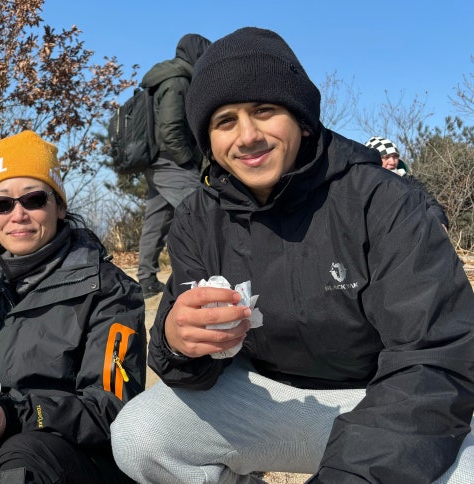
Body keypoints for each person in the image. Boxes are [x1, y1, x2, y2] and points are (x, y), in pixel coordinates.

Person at [110, 27, 474, 483]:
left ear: (301, 118)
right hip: (269, 405)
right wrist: (176, 342)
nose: (247, 136)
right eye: (225, 121)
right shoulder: (197, 218)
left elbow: (435, 357)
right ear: (208, 140)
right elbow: (188, 372)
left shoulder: (383, 200)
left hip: (385, 401)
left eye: (264, 111)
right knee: (141, 434)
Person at [0, 130, 147, 483]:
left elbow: (114, 411)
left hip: (66, 456)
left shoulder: (109, 291)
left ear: (59, 206)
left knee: (21, 455)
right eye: (3, 203)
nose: (18, 215)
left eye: (34, 199)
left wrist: (17, 415)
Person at [136, 33, 211, 298]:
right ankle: (210, 275)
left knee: (157, 218)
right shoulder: (178, 81)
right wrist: (187, 160)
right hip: (170, 160)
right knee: (203, 211)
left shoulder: (166, 76)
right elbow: (170, 129)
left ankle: (145, 279)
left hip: (157, 160)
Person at [365, 135, 450, 228]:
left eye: (395, 156)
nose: (392, 162)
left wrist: (439, 222)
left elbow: (429, 202)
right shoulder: (362, 185)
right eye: (386, 157)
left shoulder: (408, 180)